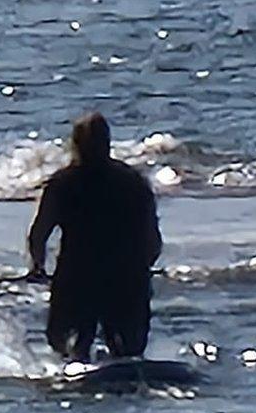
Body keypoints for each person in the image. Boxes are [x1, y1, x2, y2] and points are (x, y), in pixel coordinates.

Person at [27, 112, 162, 363]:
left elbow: (39, 234)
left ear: (74, 145)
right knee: (129, 349)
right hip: (126, 276)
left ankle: (79, 363)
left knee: (66, 343)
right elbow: (153, 242)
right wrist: (145, 266)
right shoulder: (132, 182)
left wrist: (38, 267)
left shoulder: (63, 183)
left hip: (77, 278)